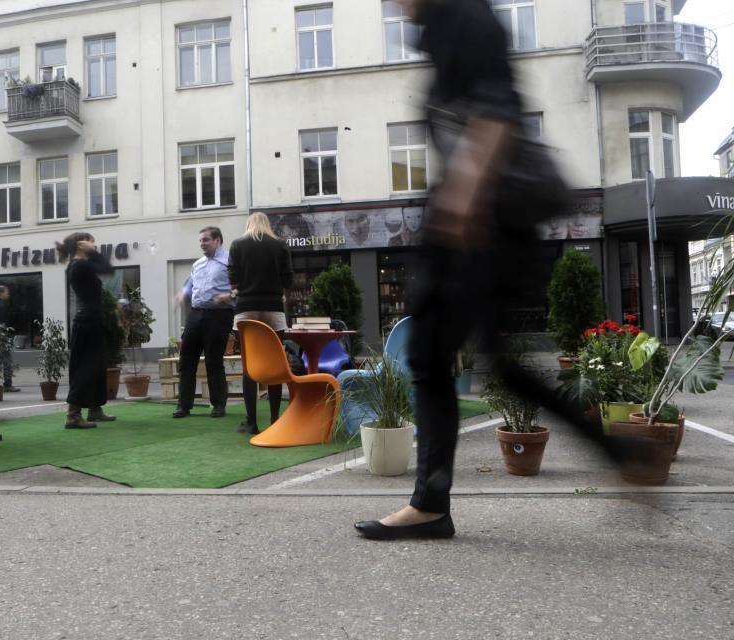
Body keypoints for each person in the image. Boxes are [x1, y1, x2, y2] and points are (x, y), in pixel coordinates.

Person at [354, 0, 623, 541]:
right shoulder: (444, 27)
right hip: (482, 220)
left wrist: (460, 202)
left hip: (477, 222)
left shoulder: (462, 19)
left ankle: (431, 506)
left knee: (432, 359)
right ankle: (621, 451)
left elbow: (497, 112)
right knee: (494, 361)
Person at [228, 212, 294, 434]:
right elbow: (288, 280)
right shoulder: (280, 245)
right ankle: (275, 418)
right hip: (274, 308)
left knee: (249, 366)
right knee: (275, 364)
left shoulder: (237, 245)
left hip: (246, 309)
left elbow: (233, 279)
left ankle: (251, 421)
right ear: (268, 225)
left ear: (249, 224)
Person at [172, 227, 235, 419]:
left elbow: (241, 286)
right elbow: (189, 284)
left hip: (219, 315)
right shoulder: (197, 264)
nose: (202, 244)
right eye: (200, 240)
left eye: (206, 240)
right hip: (195, 313)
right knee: (186, 361)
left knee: (213, 361)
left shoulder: (230, 261)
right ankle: (184, 405)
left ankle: (218, 405)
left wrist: (230, 296)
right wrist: (183, 293)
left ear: (218, 240)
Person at [55, 231, 117, 429]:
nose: (95, 246)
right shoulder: (79, 265)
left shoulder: (79, 265)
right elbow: (107, 268)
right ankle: (73, 415)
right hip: (86, 322)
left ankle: (94, 409)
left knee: (98, 367)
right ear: (81, 245)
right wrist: (94, 253)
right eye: (92, 243)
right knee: (85, 368)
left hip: (91, 321)